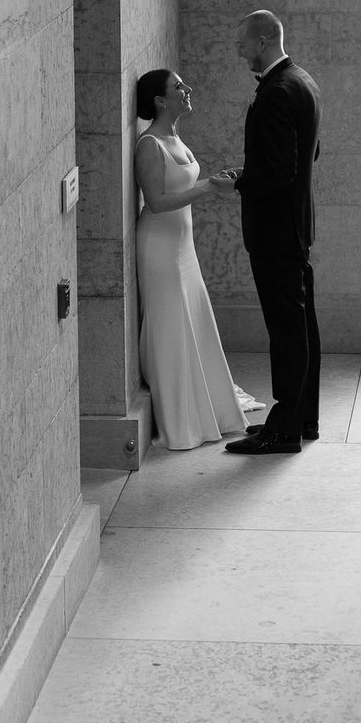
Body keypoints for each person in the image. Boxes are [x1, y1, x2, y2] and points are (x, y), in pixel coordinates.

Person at [211, 10, 321, 456]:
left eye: (242, 43)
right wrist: (250, 171)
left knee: (286, 329)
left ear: (262, 40)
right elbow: (308, 153)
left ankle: (283, 429)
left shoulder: (276, 92)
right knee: (300, 324)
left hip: (276, 229)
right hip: (295, 223)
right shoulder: (303, 80)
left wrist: (238, 182)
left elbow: (280, 167)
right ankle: (302, 418)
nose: (237, 50)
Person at [132, 68, 254, 450]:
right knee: (171, 324)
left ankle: (206, 404)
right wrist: (207, 188)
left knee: (193, 319)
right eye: (178, 86)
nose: (188, 89)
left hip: (182, 247)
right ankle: (181, 419)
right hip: (160, 247)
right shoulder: (149, 144)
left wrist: (212, 181)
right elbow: (155, 202)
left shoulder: (174, 137)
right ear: (159, 101)